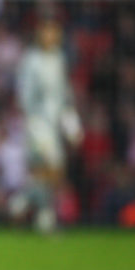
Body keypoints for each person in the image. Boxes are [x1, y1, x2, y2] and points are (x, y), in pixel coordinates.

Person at [13, 17, 83, 233]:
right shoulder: (31, 60)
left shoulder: (59, 59)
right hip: (38, 124)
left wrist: (71, 123)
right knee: (50, 168)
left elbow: (63, 95)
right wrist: (32, 124)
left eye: (54, 32)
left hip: (54, 125)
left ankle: (28, 205)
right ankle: (35, 209)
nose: (50, 36)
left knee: (51, 173)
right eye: (46, 31)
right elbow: (23, 94)